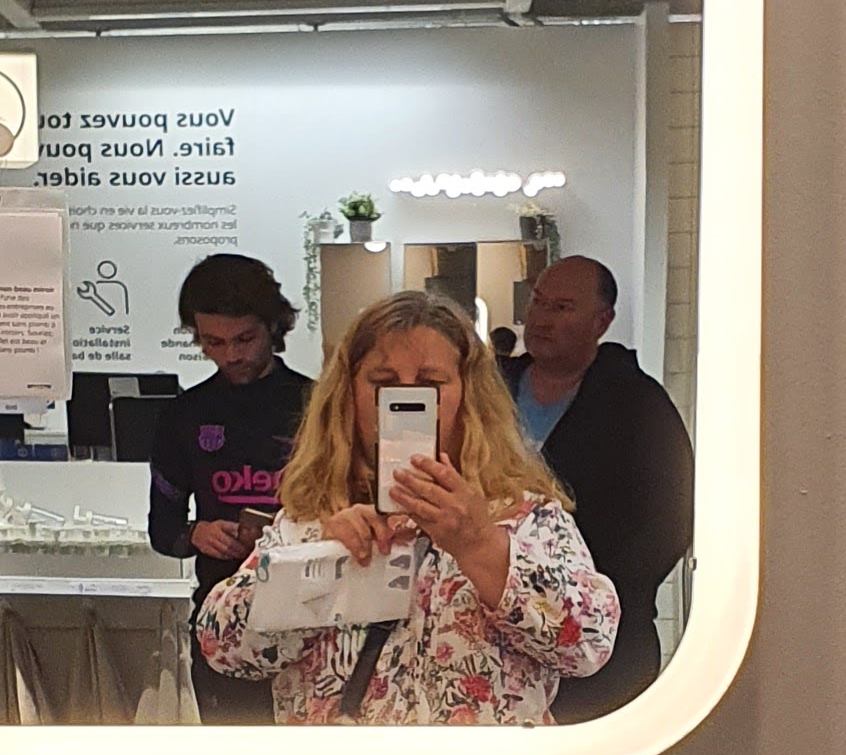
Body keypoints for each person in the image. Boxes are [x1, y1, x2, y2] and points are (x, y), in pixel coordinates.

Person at [197, 289, 615, 726]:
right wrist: (319, 562)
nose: (406, 399)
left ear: (468, 395)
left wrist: (481, 546)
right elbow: (222, 648)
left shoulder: (525, 517)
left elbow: (590, 644)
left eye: (431, 384)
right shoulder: (311, 519)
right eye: (383, 382)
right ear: (349, 394)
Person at [503, 256, 695, 719]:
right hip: (498, 633)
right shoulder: (492, 389)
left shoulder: (637, 403)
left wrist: (600, 592)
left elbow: (671, 518)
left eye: (562, 307)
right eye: (538, 302)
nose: (542, 319)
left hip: (603, 642)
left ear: (601, 321)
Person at [145, 254, 312, 724]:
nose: (232, 356)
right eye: (213, 343)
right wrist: (196, 533)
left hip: (312, 618)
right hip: (223, 622)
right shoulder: (183, 416)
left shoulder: (318, 406)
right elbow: (162, 528)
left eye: (244, 339)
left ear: (272, 326)